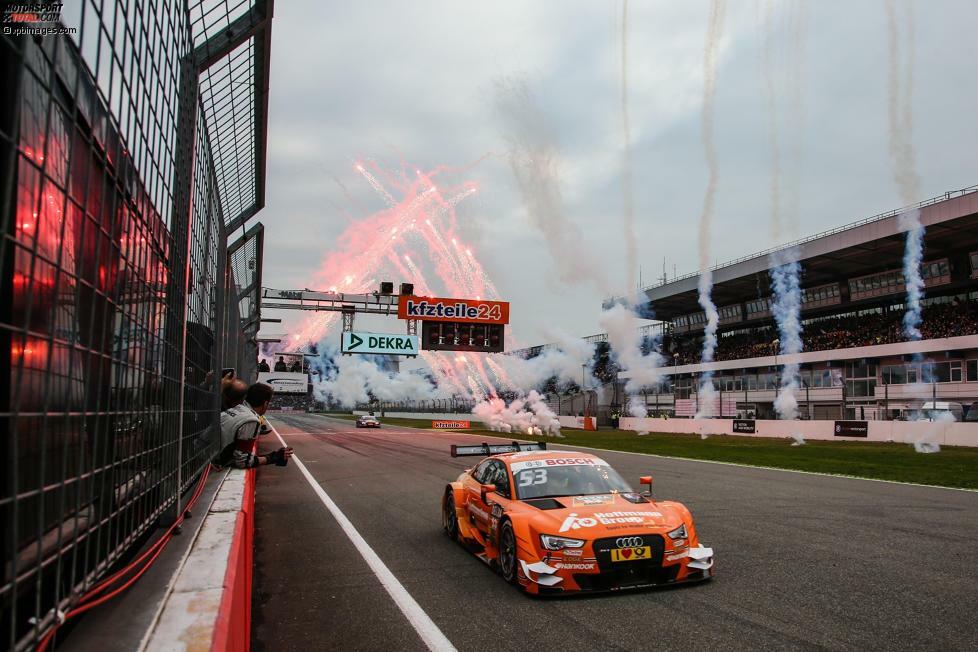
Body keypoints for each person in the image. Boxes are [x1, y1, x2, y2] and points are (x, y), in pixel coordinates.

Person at [219, 383, 293, 469]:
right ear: (265, 404)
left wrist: (273, 456)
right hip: (214, 466)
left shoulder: (236, 408)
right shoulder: (251, 420)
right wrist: (273, 458)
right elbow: (243, 462)